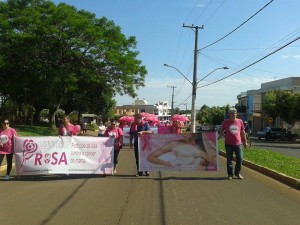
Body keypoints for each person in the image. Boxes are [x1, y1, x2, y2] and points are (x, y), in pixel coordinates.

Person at [147, 134, 211, 170]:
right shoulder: (174, 144)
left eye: (189, 128)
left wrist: (202, 154)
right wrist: (167, 163)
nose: (185, 132)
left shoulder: (203, 142)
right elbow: (150, 157)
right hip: (184, 178)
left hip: (200, 179)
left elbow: (210, 161)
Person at [218, 108, 248, 180]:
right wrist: (218, 138)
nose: (234, 114)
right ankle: (230, 174)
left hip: (238, 144)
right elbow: (222, 131)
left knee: (240, 159)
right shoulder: (226, 122)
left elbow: (243, 132)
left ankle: (237, 173)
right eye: (232, 113)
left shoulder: (240, 121)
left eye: (235, 113)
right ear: (229, 114)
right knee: (229, 160)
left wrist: (245, 142)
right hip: (229, 144)